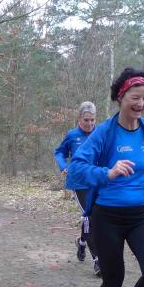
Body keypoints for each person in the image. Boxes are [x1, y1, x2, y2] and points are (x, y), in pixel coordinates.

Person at [68, 68, 144, 287]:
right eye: (135, 97)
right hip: (107, 216)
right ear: (121, 98)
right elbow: (76, 169)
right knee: (114, 277)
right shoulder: (104, 133)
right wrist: (107, 173)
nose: (141, 104)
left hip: (141, 214)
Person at [54, 101, 100, 276]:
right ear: (80, 119)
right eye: (86, 120)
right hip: (79, 182)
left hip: (97, 181)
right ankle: (98, 261)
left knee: (95, 219)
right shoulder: (72, 135)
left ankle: (82, 242)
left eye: (92, 120)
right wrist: (63, 166)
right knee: (89, 218)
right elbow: (59, 152)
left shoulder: (100, 134)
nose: (89, 123)